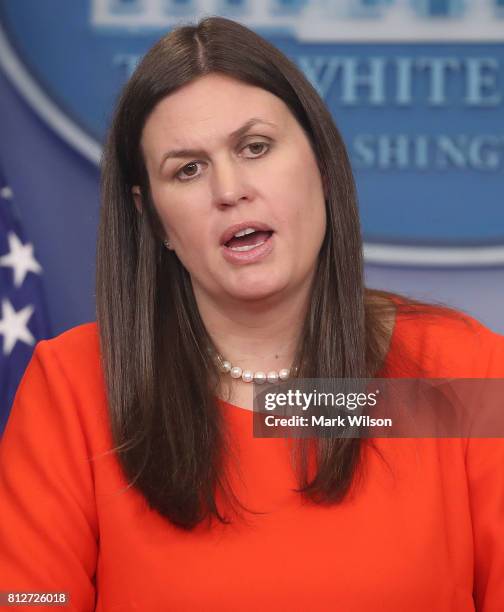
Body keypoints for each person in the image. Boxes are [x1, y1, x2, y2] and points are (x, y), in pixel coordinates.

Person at [0, 15, 503, 612]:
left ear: (320, 161)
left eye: (255, 147)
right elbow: (33, 599)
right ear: (153, 217)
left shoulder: (460, 372)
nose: (229, 189)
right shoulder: (76, 387)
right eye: (187, 169)